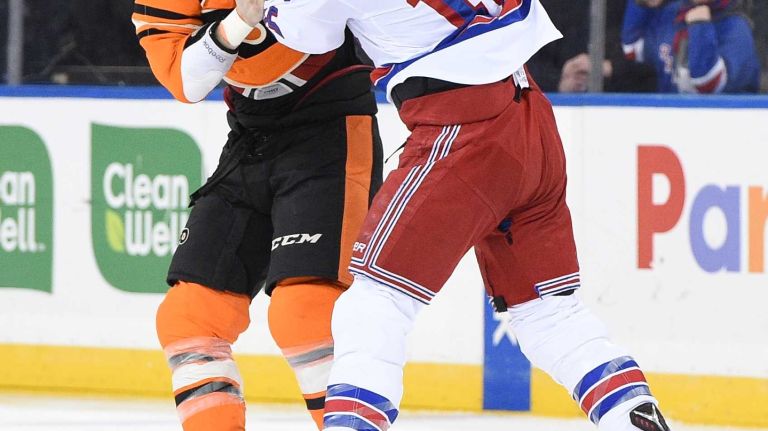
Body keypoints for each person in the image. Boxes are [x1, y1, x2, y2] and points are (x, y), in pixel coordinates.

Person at [239, 0, 673, 430]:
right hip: (529, 112)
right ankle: (632, 419)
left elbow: (305, 35)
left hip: (463, 127)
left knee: (373, 305)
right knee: (550, 315)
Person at [132, 1, 383, 430]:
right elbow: (184, 82)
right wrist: (240, 20)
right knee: (189, 318)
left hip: (332, 131)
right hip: (250, 139)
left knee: (305, 311)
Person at [622, 0, 760, 93]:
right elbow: (633, 49)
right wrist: (640, 5)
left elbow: (707, 84)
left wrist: (700, 25)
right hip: (670, 126)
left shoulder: (736, 27)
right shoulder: (674, 13)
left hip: (721, 129)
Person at [528, 0, 657, 93]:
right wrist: (558, 82)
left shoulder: (632, 6)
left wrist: (605, 67)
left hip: (626, 105)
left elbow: (654, 71)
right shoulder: (546, 6)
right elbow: (526, 61)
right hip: (559, 104)